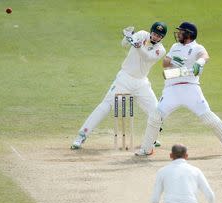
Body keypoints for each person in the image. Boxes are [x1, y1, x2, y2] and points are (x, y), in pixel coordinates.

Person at [135, 22, 222, 156]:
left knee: (206, 115)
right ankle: (146, 148)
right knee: (156, 117)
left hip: (191, 88)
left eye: (181, 32)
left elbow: (205, 55)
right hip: (171, 89)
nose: (178, 34)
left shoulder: (197, 47)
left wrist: (199, 63)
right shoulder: (175, 46)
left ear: (189, 34)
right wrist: (173, 61)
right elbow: (164, 64)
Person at [70, 22, 167, 150]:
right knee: (106, 105)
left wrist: (138, 46)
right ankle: (81, 136)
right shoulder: (142, 34)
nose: (155, 37)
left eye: (159, 36)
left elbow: (147, 57)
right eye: (154, 34)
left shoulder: (161, 50)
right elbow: (124, 44)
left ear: (162, 37)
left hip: (141, 83)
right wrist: (127, 38)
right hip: (124, 79)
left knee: (156, 111)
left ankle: (152, 138)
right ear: (151, 32)